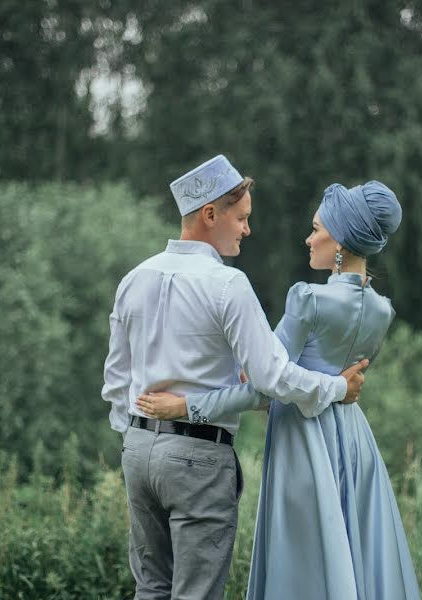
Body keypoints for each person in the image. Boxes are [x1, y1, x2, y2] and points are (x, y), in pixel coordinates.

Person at [101, 154, 368, 600]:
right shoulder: (227, 284)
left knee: (150, 590)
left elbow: (115, 379)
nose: (247, 229)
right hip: (198, 458)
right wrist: (339, 388)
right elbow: (273, 377)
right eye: (241, 218)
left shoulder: (134, 277)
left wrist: (137, 440)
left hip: (138, 450)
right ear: (210, 215)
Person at [138, 180, 421, 599]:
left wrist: (184, 405)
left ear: (340, 241)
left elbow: (264, 390)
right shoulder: (382, 310)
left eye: (317, 229)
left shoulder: (308, 300)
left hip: (304, 443)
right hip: (356, 442)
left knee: (305, 567)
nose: (309, 239)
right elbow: (322, 383)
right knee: (354, 556)